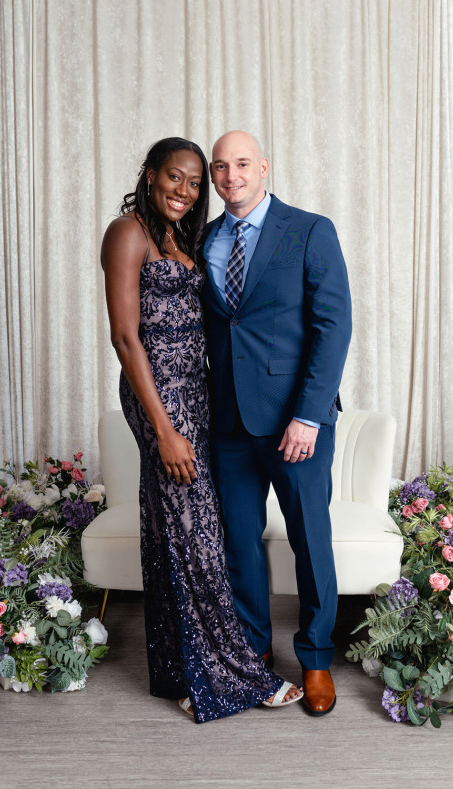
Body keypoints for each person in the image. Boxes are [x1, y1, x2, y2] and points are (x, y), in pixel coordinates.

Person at [101, 137, 302, 723]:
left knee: (178, 529)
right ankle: (234, 676)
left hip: (198, 393)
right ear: (150, 174)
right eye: (175, 177)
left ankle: (181, 672)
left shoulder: (178, 236)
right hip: (160, 398)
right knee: (197, 539)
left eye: (194, 182)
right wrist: (164, 430)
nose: (185, 191)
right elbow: (125, 338)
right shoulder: (127, 233)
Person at [203, 130, 352, 716]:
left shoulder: (309, 229)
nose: (231, 176)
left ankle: (315, 659)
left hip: (297, 422)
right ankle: (253, 653)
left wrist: (309, 416)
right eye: (220, 166)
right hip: (229, 423)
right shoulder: (205, 239)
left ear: (263, 167)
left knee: (309, 540)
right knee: (238, 542)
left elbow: (333, 327)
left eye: (242, 163)